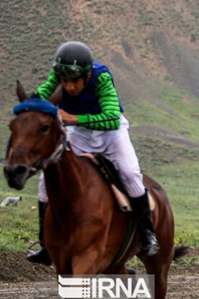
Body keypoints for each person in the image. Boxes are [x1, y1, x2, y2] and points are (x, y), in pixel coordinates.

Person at [25, 41, 159, 265]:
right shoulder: (57, 77)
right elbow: (41, 95)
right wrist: (29, 104)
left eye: (74, 81)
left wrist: (74, 118)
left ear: (87, 75)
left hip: (111, 134)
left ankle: (148, 234)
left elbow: (111, 117)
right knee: (44, 180)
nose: (69, 87)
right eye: (64, 81)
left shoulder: (101, 78)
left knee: (130, 173)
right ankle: (46, 243)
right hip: (79, 134)